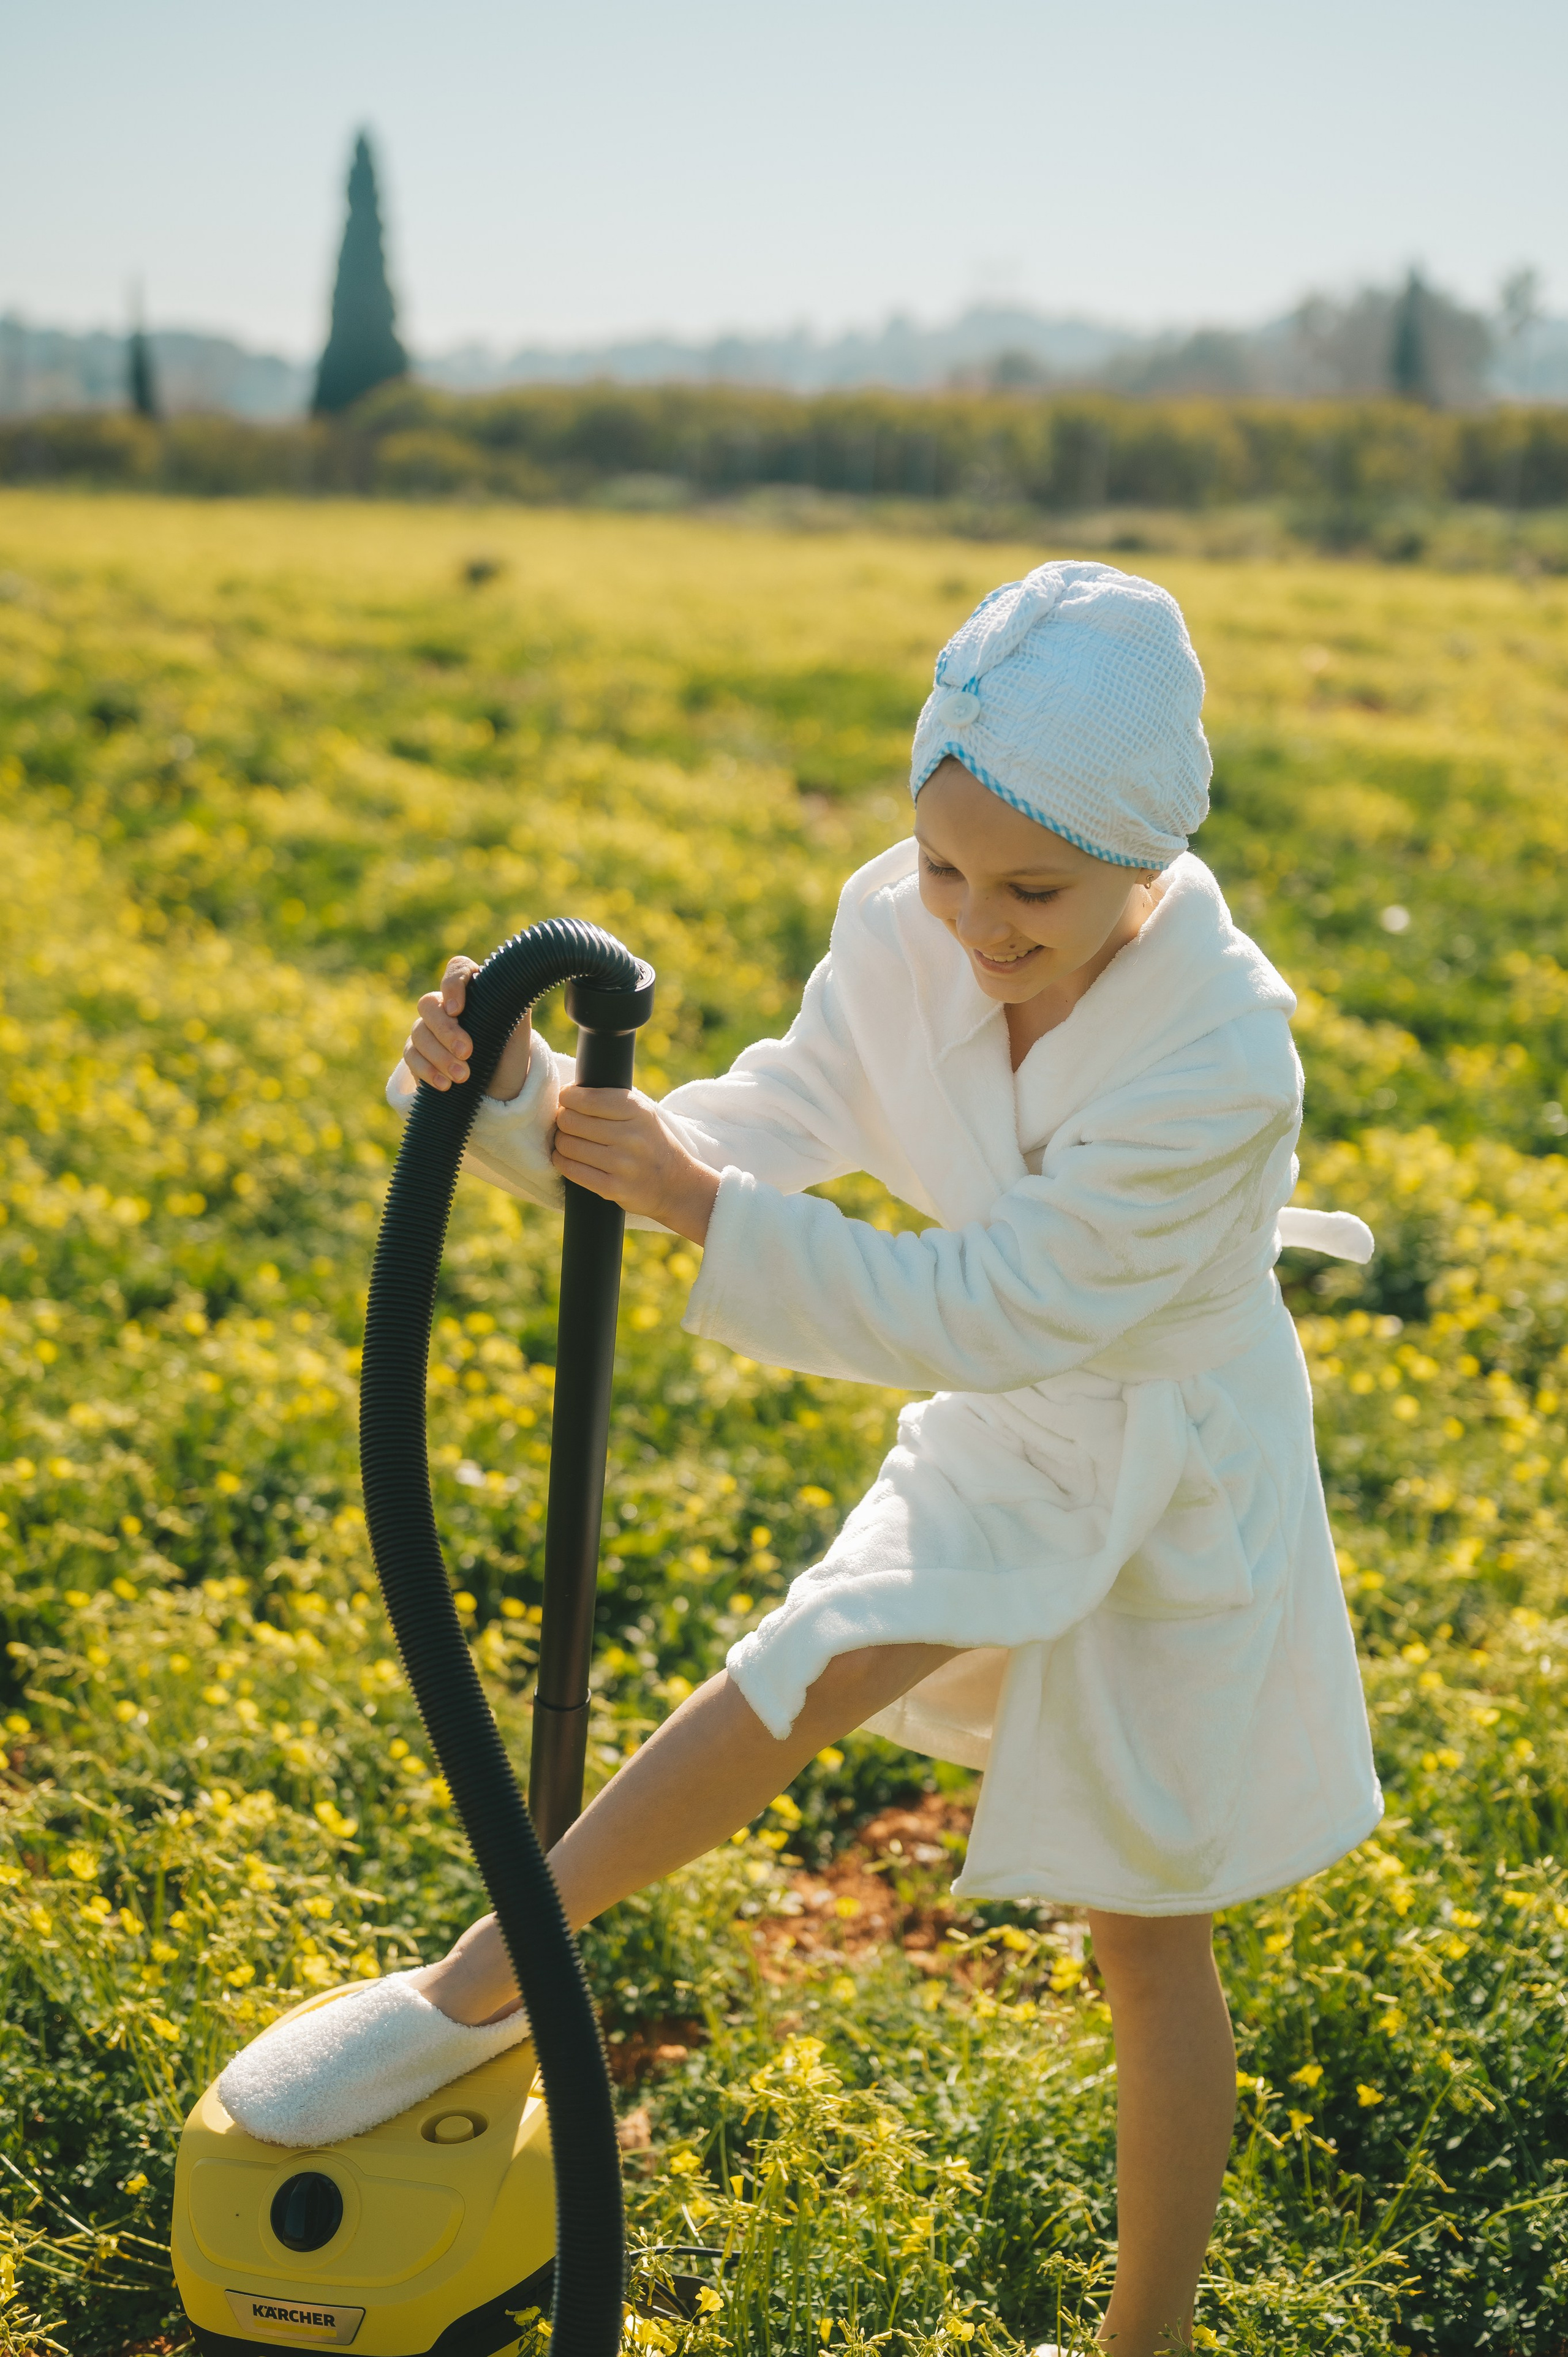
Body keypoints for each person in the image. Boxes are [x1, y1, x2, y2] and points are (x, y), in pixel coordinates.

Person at [219, 561, 1381, 2357]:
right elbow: (753, 1123)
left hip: (1174, 1459)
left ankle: (1140, 2342)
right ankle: (478, 1987)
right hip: (1020, 1431)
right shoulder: (908, 927)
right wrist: (512, 1097)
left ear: (1147, 861)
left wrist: (703, 1211)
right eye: (943, 868)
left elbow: (992, 1308)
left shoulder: (1227, 1054)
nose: (976, 924)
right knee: (803, 1664)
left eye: (1033, 891)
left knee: (1147, 1929)